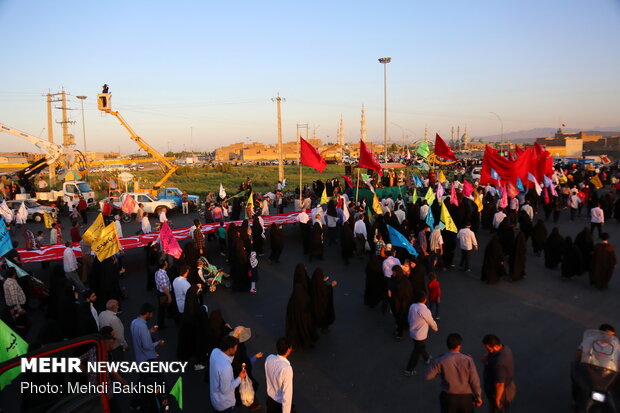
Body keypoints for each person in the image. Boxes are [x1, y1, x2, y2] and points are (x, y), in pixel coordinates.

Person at [424, 333, 483, 413]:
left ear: (447, 345)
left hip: (448, 398)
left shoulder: (440, 360)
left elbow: (427, 376)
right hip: (465, 398)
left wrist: (438, 371)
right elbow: (474, 381)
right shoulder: (468, 359)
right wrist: (478, 396)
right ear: (459, 345)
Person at [209, 335, 247, 413]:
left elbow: (228, 357)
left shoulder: (215, 352)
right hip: (224, 404)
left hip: (214, 398)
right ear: (230, 349)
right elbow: (225, 390)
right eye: (235, 348)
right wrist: (240, 378)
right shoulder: (226, 367)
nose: (236, 350)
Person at [405, 291, 439, 375]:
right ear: (425, 299)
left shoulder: (412, 306)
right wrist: (435, 328)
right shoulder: (425, 310)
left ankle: (426, 358)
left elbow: (409, 317)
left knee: (420, 346)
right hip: (420, 335)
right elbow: (431, 321)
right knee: (416, 352)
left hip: (413, 332)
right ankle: (409, 370)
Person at [481, 334, 515, 413]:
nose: (488, 351)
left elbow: (499, 384)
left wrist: (497, 399)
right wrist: (489, 356)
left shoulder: (498, 362)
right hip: (508, 388)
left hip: (501, 393)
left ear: (496, 346)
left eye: (489, 349)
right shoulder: (505, 349)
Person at [264, 337, 294, 413]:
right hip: (279, 405)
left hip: (270, 401)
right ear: (288, 350)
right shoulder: (287, 369)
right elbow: (287, 395)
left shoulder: (269, 358)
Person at [309, 268, 337, 332]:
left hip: (315, 305)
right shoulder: (321, 285)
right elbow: (325, 292)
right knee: (324, 316)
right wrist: (331, 285)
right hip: (322, 306)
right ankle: (324, 329)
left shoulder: (313, 282)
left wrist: (323, 280)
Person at [154, 260, 173, 328]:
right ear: (164, 266)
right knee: (161, 309)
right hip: (163, 294)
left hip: (159, 292)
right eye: (166, 263)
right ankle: (160, 325)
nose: (167, 263)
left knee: (162, 308)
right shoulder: (162, 275)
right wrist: (169, 296)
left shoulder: (157, 272)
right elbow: (165, 287)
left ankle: (167, 317)